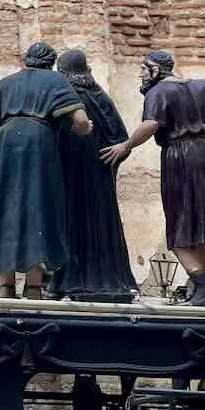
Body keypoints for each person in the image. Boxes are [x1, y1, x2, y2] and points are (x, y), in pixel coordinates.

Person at [99, 50, 205, 306]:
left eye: (144, 70)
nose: (141, 75)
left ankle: (203, 283)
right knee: (201, 220)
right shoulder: (204, 87)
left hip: (179, 156)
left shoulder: (158, 92)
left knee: (179, 221)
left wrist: (126, 145)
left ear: (155, 70)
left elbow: (150, 125)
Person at [0, 43, 92, 299]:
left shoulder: (6, 82)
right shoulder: (56, 81)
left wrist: (7, 139)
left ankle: (6, 287)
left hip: (5, 145)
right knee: (37, 210)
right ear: (50, 62)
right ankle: (34, 287)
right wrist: (85, 130)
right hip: (39, 145)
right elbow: (81, 122)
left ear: (25, 60)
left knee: (5, 209)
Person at [50, 49, 135, 300]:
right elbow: (120, 138)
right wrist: (113, 157)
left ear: (63, 72)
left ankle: (70, 283)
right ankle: (110, 281)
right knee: (101, 223)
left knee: (71, 222)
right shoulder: (101, 97)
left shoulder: (63, 96)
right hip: (98, 175)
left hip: (71, 173)